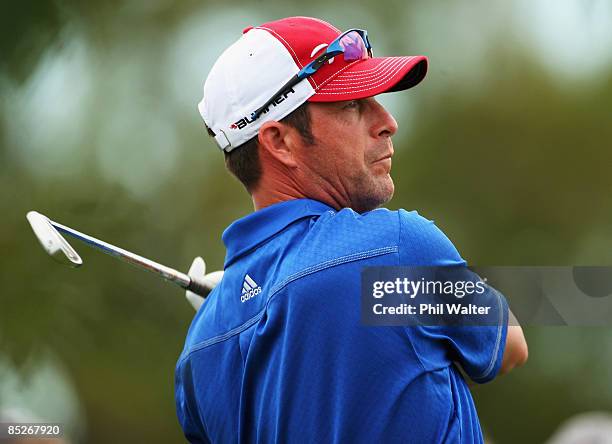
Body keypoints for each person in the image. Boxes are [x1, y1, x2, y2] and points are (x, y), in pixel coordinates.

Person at [175, 16, 528, 443]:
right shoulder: (395, 252)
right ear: (280, 141)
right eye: (352, 105)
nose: (387, 120)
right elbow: (509, 345)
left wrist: (233, 313)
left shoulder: (197, 354)